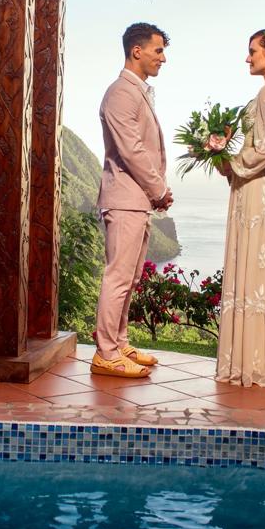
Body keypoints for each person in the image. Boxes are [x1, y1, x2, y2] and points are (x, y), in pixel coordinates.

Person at [214, 28, 265, 387]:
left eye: (252, 51)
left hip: (259, 189)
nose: (247, 58)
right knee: (264, 275)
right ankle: (263, 360)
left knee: (255, 271)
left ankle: (252, 363)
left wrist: (230, 162)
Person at [92, 22, 173, 378]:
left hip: (136, 200)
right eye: (158, 51)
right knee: (118, 277)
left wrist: (155, 192)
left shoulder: (136, 92)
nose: (163, 58)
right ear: (136, 51)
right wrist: (159, 190)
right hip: (125, 199)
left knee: (130, 277)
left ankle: (119, 343)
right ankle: (106, 353)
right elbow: (132, 150)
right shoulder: (121, 93)